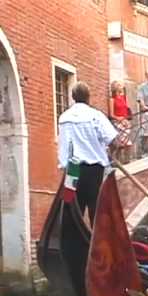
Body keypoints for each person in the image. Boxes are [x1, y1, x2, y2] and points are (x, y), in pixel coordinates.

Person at [57, 81, 118, 226]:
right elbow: (115, 141)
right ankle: (96, 245)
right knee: (96, 210)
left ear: (73, 97)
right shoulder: (96, 115)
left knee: (71, 211)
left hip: (72, 168)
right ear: (88, 97)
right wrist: (110, 154)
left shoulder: (63, 118)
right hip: (94, 170)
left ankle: (72, 247)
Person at [109, 80, 132, 163]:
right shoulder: (112, 100)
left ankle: (127, 161)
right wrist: (120, 119)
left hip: (125, 122)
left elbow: (126, 110)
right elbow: (111, 114)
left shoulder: (123, 98)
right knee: (120, 144)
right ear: (115, 88)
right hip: (117, 122)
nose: (121, 86)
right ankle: (117, 161)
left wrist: (126, 120)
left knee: (128, 143)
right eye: (119, 85)